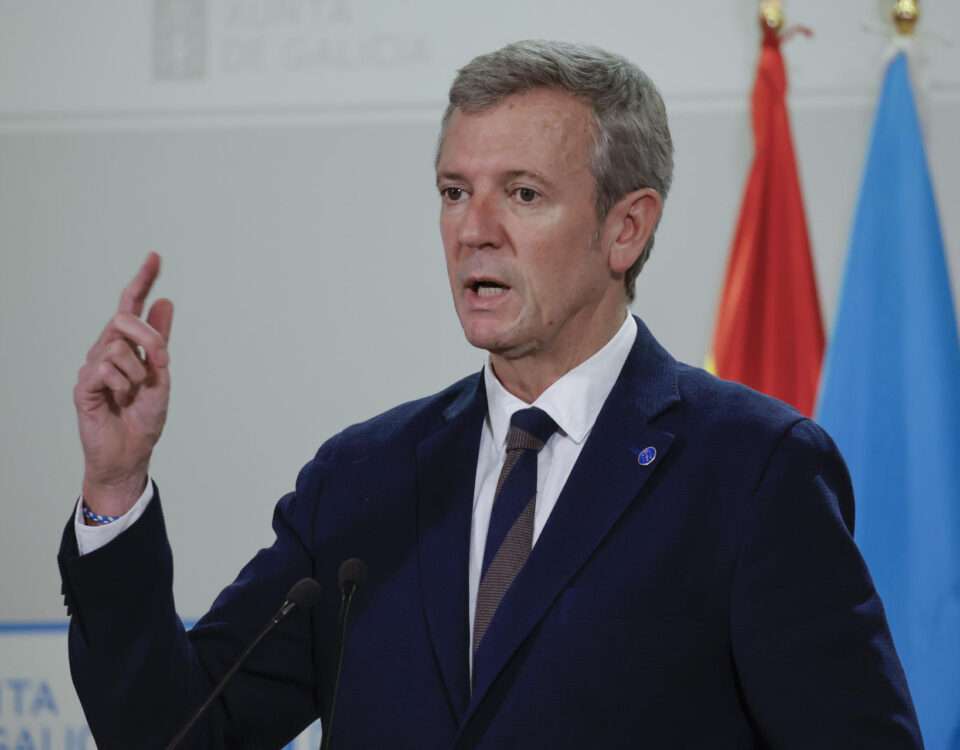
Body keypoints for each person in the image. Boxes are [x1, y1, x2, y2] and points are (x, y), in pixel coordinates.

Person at [58, 40, 923, 748]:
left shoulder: (752, 470)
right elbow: (171, 734)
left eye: (522, 194)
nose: (474, 231)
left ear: (627, 227)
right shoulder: (363, 479)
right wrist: (115, 489)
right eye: (453, 193)